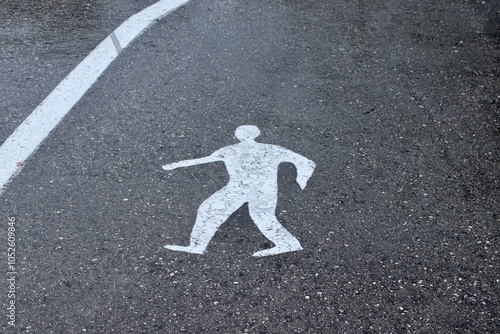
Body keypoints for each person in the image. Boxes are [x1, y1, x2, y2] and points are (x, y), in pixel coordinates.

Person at [162, 125, 316, 256]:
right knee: (262, 216)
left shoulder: (230, 150)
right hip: (264, 189)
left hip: (239, 188)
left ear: (238, 135)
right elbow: (307, 162)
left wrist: (176, 165)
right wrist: (301, 178)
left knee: (209, 209)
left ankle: (197, 246)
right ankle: (288, 244)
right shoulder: (272, 149)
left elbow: (203, 160)